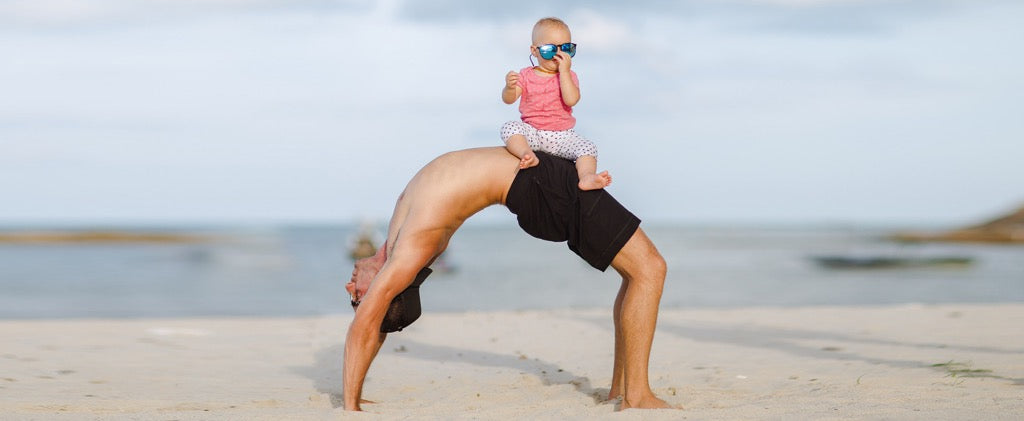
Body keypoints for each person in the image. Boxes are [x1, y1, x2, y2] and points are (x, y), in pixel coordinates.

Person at [343, 147, 671, 411]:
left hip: (536, 180)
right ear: (384, 293)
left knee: (636, 274)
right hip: (541, 186)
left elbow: (375, 321)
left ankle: (621, 390)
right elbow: (367, 327)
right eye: (358, 297)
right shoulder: (413, 249)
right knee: (650, 269)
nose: (350, 286)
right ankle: (636, 396)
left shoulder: (395, 239)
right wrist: (350, 405)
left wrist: (356, 397)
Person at [500, 17, 612, 191]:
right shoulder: (526, 75)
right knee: (509, 128)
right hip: (533, 133)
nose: (558, 55)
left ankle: (587, 177)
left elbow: (571, 99)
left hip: (562, 137)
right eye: (549, 50)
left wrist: (565, 72)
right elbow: (509, 99)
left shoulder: (569, 76)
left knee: (588, 148)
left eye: (566, 49)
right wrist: (509, 87)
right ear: (534, 51)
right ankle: (527, 154)